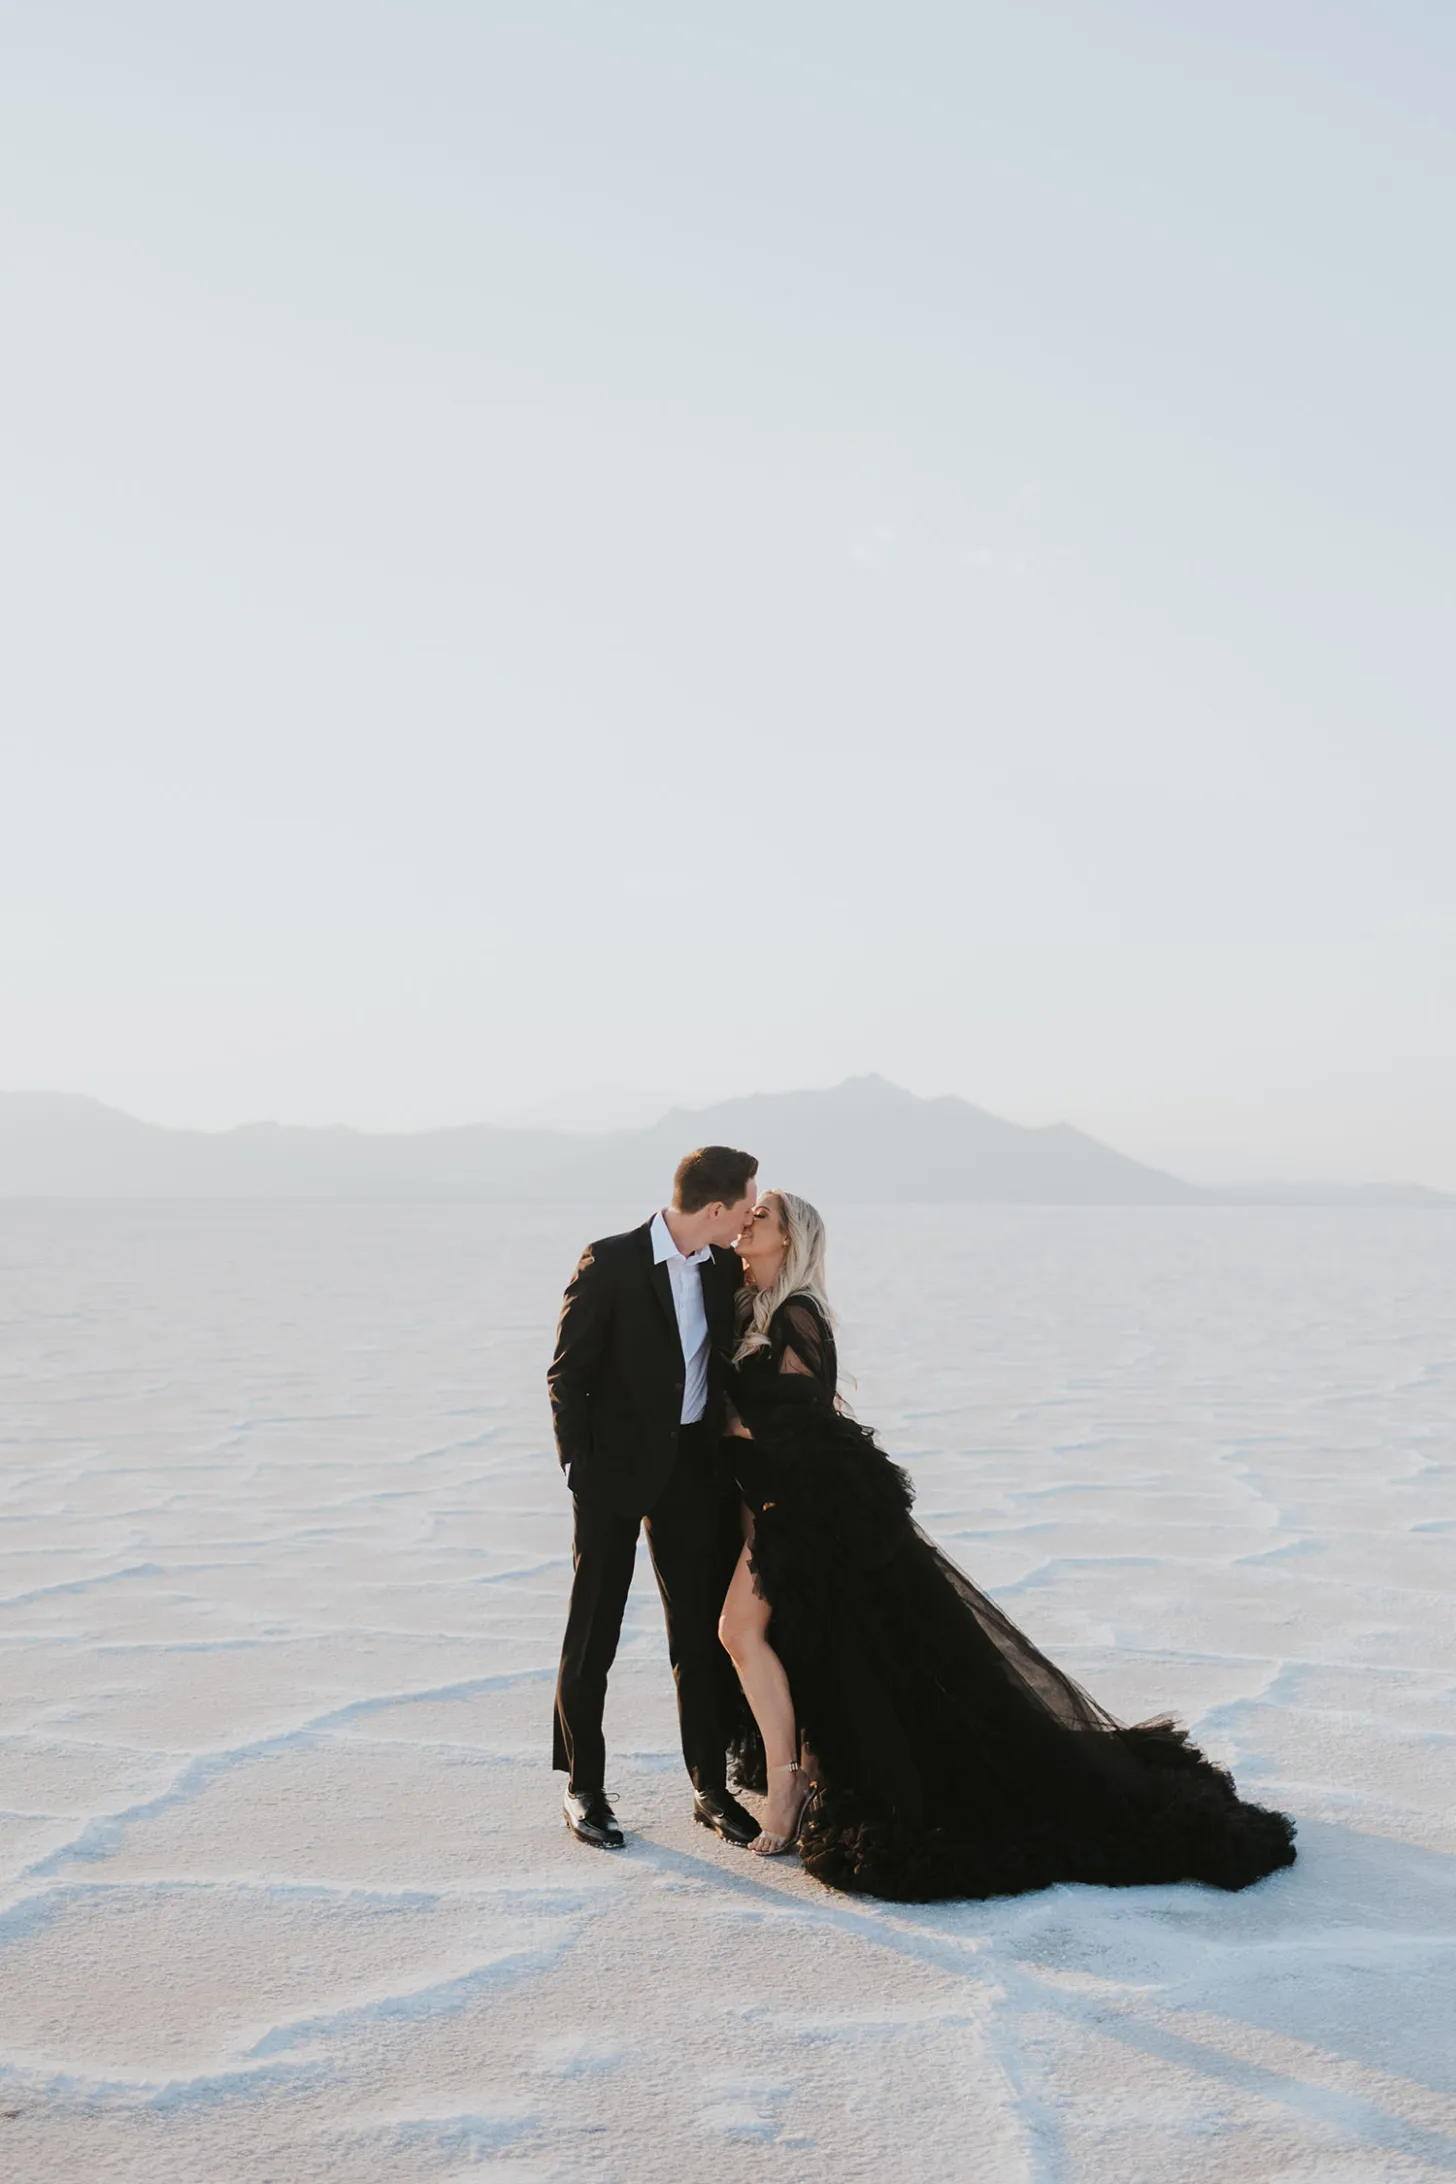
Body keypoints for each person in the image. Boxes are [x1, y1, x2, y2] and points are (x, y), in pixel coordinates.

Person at [717, 1190, 1298, 1900]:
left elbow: (802, 1418)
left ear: (791, 1240)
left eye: (761, 1219)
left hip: (809, 1508)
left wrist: (729, 1422)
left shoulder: (799, 1314)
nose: (747, 1226)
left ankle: (787, 1787)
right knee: (811, 1649)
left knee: (740, 1631)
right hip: (771, 1505)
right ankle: (804, 1771)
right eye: (746, 1217)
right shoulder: (752, 1305)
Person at [549, 1145, 763, 1851]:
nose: (747, 1220)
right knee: (594, 1635)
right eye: (743, 1207)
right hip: (610, 1479)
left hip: (691, 1477)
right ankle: (584, 1788)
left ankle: (708, 1788)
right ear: (713, 1208)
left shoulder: (723, 1269)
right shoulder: (609, 1262)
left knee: (697, 1635)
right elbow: (567, 1375)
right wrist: (578, 1467)